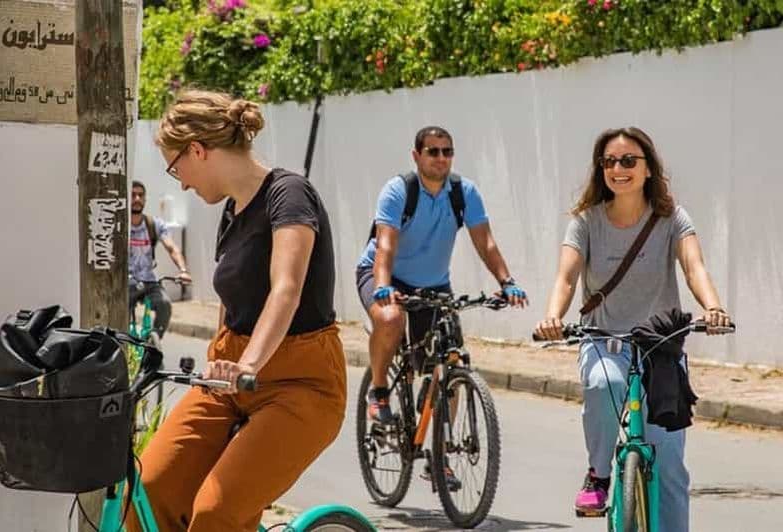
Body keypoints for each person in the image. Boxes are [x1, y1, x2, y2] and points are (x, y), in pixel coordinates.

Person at [128, 89, 346, 531]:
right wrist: (223, 359)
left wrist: (248, 363)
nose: (182, 182)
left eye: (177, 168)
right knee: (148, 491)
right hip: (230, 374)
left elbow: (286, 289)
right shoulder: (232, 211)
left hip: (300, 381)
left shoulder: (289, 195)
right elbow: (233, 301)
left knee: (216, 513)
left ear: (198, 150)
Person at [533, 127, 732, 531]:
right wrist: (553, 315)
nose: (618, 169)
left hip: (661, 345)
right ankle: (600, 475)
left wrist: (713, 307)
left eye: (628, 161)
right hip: (604, 339)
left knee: (671, 466)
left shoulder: (672, 218)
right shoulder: (585, 222)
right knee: (602, 381)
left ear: (647, 169)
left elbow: (694, 267)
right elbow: (567, 278)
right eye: (609, 162)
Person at [357, 125, 528, 426]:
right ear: (416, 155)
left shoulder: (464, 193)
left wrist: (507, 282)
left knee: (450, 357)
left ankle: (442, 456)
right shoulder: (399, 191)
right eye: (432, 151)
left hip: (433, 283)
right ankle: (379, 389)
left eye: (447, 152)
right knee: (390, 319)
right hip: (383, 274)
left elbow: (485, 242)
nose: (441, 158)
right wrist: (383, 286)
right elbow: (385, 245)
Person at [129, 180, 191, 336]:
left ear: (145, 199)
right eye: (133, 195)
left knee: (164, 305)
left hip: (149, 281)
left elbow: (172, 248)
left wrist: (183, 270)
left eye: (140, 195)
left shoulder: (153, 224)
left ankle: (154, 343)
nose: (137, 199)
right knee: (119, 313)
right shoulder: (120, 224)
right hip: (126, 282)